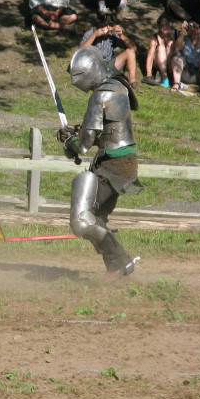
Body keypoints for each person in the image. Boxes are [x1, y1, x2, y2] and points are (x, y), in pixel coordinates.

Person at [58, 46, 142, 281]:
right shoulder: (118, 85)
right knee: (96, 219)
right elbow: (106, 132)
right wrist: (75, 132)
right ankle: (116, 267)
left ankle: (122, 261)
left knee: (83, 220)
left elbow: (83, 145)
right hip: (120, 159)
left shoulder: (101, 95)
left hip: (115, 162)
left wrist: (70, 141)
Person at [79, 15, 138, 85]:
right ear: (100, 25)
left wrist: (121, 35)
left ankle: (132, 82)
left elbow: (133, 48)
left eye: (110, 25)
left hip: (109, 66)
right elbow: (80, 51)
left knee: (130, 52)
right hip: (94, 66)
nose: (108, 27)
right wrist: (94, 36)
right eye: (105, 25)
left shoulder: (113, 35)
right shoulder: (90, 33)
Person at [170, 20, 200, 92]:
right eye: (190, 26)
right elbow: (176, 48)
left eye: (196, 27)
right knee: (177, 55)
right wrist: (182, 32)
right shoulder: (184, 39)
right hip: (185, 73)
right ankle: (176, 84)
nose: (193, 29)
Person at [143, 14, 177, 87]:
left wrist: (173, 40)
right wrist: (149, 74)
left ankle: (172, 75)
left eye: (166, 24)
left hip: (172, 62)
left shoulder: (176, 34)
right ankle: (165, 78)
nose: (164, 27)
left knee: (170, 44)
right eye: (162, 25)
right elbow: (150, 56)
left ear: (170, 24)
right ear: (159, 26)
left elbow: (181, 48)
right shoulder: (155, 38)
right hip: (158, 62)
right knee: (161, 48)